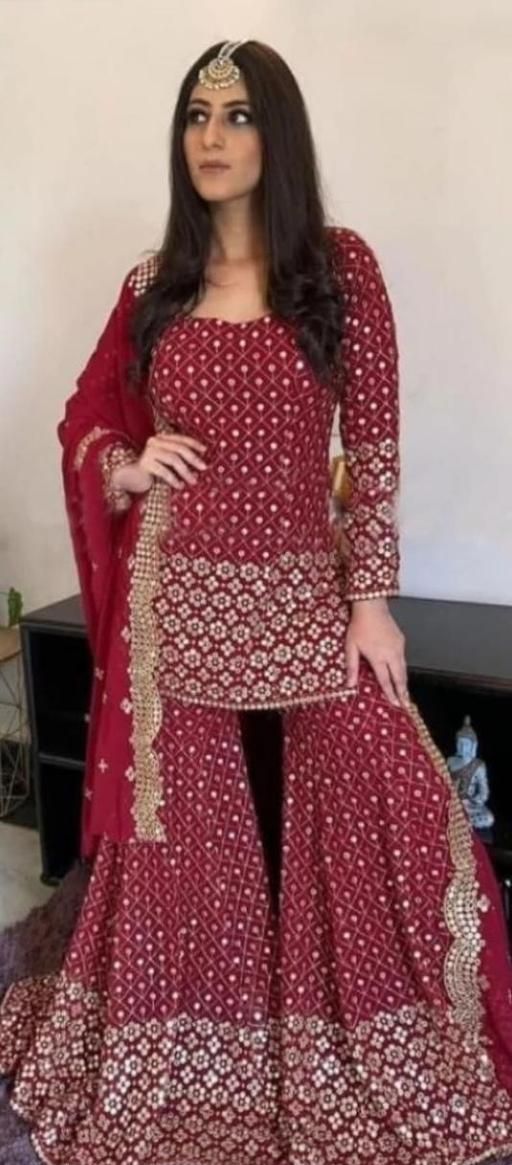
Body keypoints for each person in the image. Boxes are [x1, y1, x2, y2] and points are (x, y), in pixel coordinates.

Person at [1, 37, 512, 1165]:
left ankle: (350, 1026)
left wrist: (369, 601)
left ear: (276, 134)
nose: (212, 137)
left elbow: (374, 448)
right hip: (177, 600)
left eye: (236, 115)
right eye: (196, 114)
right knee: (186, 842)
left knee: (372, 796)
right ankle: (196, 1042)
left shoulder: (337, 268)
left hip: (300, 591)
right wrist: (124, 462)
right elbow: (90, 416)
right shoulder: (154, 284)